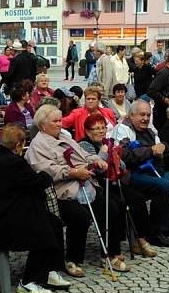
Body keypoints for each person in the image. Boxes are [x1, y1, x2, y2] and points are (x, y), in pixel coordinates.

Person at [27, 105, 126, 276]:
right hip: (60, 192)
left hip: (83, 186)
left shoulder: (65, 137)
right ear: (43, 125)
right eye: (55, 121)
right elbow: (46, 171)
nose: (60, 124)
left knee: (110, 207)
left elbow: (83, 155)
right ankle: (73, 259)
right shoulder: (38, 146)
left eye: (60, 120)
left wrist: (96, 160)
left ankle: (109, 253)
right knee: (79, 216)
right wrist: (72, 172)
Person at [0, 124, 71, 293]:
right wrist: (45, 175)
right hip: (3, 218)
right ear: (18, 145)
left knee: (54, 223)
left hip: (2, 211)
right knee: (44, 232)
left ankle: (51, 270)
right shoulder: (14, 162)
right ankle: (28, 281)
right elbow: (36, 182)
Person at [114, 100, 169, 243]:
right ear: (131, 115)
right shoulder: (123, 129)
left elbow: (167, 153)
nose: (145, 118)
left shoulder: (150, 131)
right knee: (164, 185)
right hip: (132, 175)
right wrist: (150, 151)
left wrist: (163, 148)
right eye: (142, 115)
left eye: (148, 115)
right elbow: (124, 155)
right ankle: (155, 231)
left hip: (155, 171)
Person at [77, 113, 157, 257]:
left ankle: (140, 239)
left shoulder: (107, 142)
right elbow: (95, 169)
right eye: (96, 129)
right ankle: (112, 248)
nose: (101, 131)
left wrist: (115, 157)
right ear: (88, 131)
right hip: (97, 186)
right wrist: (103, 153)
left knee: (137, 198)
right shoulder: (84, 145)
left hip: (112, 182)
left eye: (103, 128)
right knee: (116, 204)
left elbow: (121, 165)